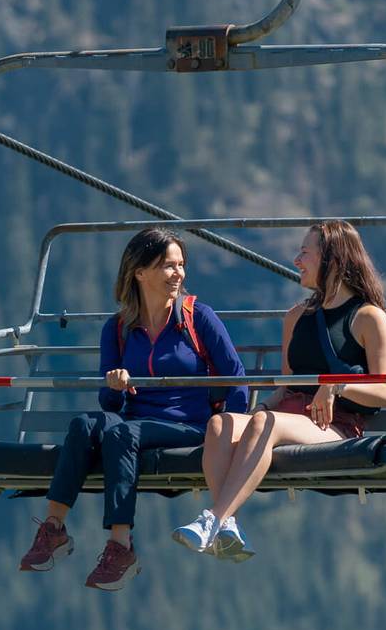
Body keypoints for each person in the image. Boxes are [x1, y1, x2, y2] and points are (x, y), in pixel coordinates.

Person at [19, 227, 249, 590]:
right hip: (134, 421)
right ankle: (54, 529)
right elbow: (109, 405)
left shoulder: (196, 318)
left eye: (181, 265)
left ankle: (120, 545)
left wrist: (234, 434)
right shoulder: (119, 328)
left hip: (188, 424)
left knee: (122, 432)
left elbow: (235, 377)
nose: (178, 274)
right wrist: (115, 387)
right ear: (140, 272)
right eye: (168, 266)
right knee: (83, 424)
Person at [177, 220, 386, 560]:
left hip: (335, 427)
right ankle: (227, 527)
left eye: (305, 252)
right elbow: (288, 383)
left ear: (333, 260)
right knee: (220, 424)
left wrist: (335, 386)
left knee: (267, 424)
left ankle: (214, 519)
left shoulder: (368, 317)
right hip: (288, 417)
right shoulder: (296, 316)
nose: (297, 260)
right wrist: (260, 408)